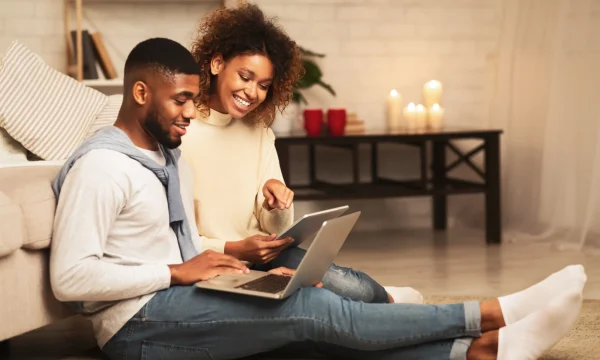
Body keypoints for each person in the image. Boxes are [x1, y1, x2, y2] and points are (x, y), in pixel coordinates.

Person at [49, 37, 585, 360]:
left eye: (193, 100)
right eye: (181, 100)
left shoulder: (167, 161)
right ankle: (493, 314)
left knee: (306, 334)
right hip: (135, 331)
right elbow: (70, 280)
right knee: (313, 310)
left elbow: (186, 251)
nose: (191, 112)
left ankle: (483, 353)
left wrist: (240, 281)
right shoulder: (103, 168)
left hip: (173, 304)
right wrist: (178, 272)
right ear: (141, 93)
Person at [180, 2, 421, 305]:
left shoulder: (259, 132)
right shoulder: (181, 132)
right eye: (244, 76)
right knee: (318, 301)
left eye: (263, 85)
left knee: (346, 285)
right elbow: (178, 237)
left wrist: (277, 203)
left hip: (263, 256)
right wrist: (235, 248)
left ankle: (387, 299)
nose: (252, 92)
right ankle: (383, 306)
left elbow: (277, 230)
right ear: (216, 64)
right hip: (213, 261)